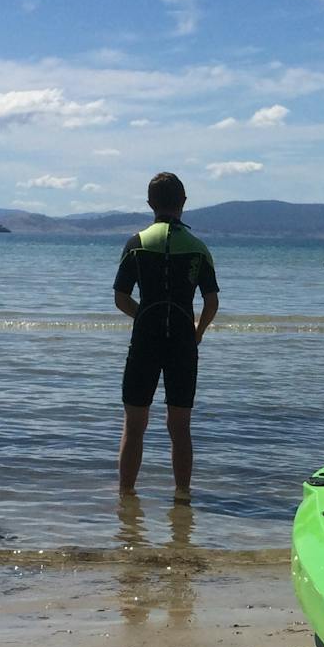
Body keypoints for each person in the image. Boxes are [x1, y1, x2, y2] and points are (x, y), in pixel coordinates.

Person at [114, 172, 219, 496]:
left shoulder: (136, 243)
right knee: (180, 426)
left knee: (134, 425)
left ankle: (126, 496)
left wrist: (145, 316)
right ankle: (182, 497)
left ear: (150, 204)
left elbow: (121, 297)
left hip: (145, 340)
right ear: (183, 202)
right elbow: (211, 302)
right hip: (182, 343)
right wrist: (197, 331)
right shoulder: (198, 248)